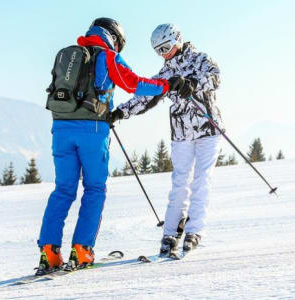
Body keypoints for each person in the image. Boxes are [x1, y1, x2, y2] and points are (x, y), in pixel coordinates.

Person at [36, 18, 185, 275]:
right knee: (94, 189)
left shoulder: (68, 55)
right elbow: (133, 83)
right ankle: (82, 250)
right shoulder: (107, 56)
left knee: (63, 190)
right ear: (114, 37)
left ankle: (49, 253)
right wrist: (166, 85)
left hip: (60, 129)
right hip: (92, 131)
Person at [111, 23, 223, 256]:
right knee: (180, 182)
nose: (165, 54)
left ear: (178, 39)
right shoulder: (165, 74)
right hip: (181, 132)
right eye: (159, 51)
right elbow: (146, 97)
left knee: (201, 180)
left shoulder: (200, 59)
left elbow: (215, 78)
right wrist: (120, 112)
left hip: (208, 129)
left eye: (167, 47)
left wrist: (192, 83)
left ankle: (194, 230)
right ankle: (171, 232)